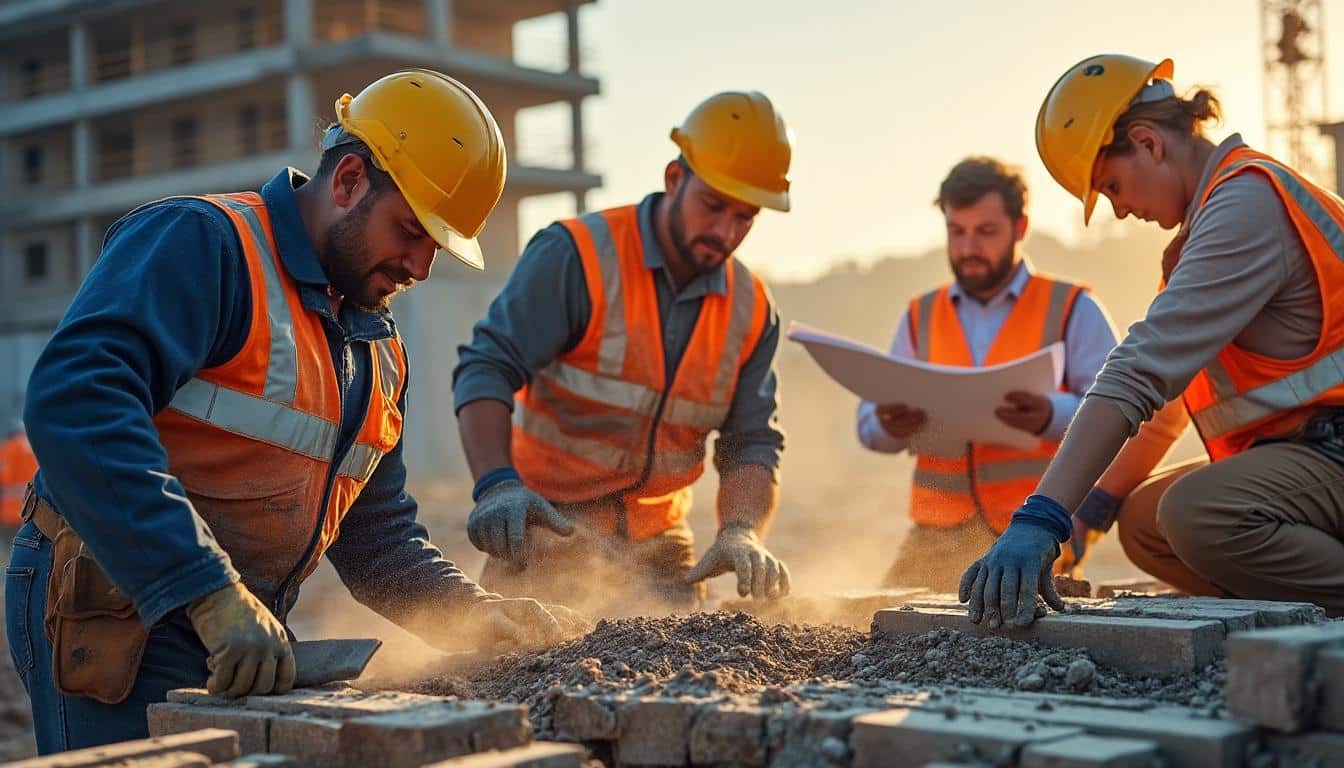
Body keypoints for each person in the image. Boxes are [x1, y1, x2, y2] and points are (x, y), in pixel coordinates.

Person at [7, 69, 575, 753]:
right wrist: (207, 590)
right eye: (411, 231)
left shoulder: (376, 347)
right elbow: (77, 401)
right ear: (348, 181)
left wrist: (468, 611)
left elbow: (377, 537)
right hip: (114, 602)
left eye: (437, 247)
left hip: (243, 623)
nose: (421, 268)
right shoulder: (206, 244)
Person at [961, 53, 1344, 628]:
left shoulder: (1247, 203)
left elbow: (1139, 375)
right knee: (1144, 522)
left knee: (1200, 515)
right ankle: (1297, 610)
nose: (1118, 209)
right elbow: (1166, 404)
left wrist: (1041, 516)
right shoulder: (1212, 221)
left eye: (1111, 185)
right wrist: (1091, 506)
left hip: (1329, 448)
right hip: (1313, 451)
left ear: (1147, 142)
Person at [453, 92, 794, 614]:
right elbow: (486, 368)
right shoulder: (576, 256)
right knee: (507, 670)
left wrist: (742, 530)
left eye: (745, 217)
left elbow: (751, 441)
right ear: (675, 180)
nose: (726, 232)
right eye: (714, 206)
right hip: (548, 527)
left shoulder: (750, 308)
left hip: (663, 548)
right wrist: (498, 487)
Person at [858, 157, 1117, 591]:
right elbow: (868, 427)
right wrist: (888, 425)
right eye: (956, 231)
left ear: (1021, 227)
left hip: (1035, 532)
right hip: (933, 536)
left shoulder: (1073, 308)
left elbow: (1117, 416)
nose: (968, 247)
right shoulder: (919, 315)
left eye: (985, 231)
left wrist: (1049, 414)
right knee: (878, 627)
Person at [0, 421, 38, 561]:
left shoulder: (6, 449)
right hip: (31, 508)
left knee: (8, 554)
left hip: (8, 510)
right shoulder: (33, 447)